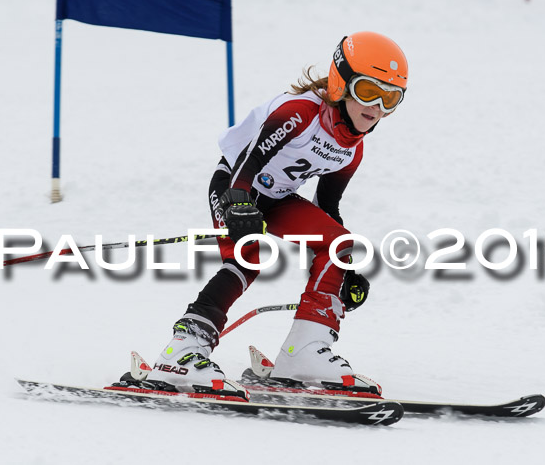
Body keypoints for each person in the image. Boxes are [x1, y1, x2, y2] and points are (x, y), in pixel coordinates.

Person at [147, 31, 409, 394]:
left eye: (390, 97)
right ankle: (181, 351)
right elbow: (247, 161)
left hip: (277, 199)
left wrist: (345, 270)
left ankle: (303, 351)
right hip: (234, 184)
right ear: (341, 83)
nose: (377, 105)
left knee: (338, 244)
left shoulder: (352, 149)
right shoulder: (300, 113)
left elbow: (327, 208)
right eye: (368, 91)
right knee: (247, 258)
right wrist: (238, 201)